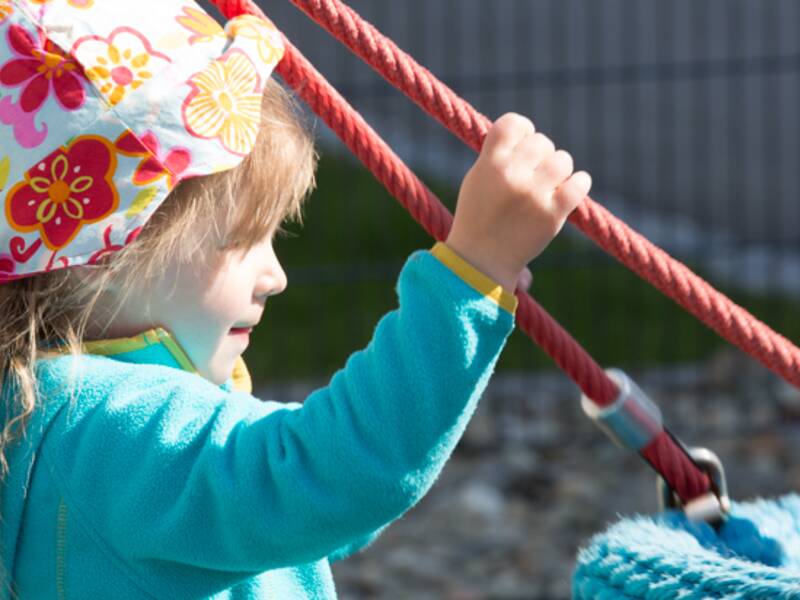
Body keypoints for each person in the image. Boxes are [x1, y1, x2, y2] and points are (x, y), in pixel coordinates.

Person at [0, 1, 591, 597]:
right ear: (98, 259)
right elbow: (333, 476)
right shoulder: (109, 429)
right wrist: (474, 271)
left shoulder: (41, 411)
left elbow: (323, 518)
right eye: (240, 240)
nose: (275, 276)